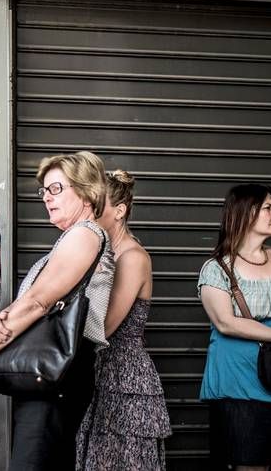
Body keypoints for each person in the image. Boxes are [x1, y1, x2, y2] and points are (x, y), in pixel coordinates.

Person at [0, 151, 115, 471]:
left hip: (59, 370)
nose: (46, 197)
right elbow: (32, 301)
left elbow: (39, 302)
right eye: (44, 190)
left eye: (56, 188)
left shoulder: (84, 235)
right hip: (53, 372)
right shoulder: (71, 239)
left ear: (86, 191)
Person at [196, 183, 271, 470]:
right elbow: (226, 322)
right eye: (268, 208)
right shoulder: (217, 268)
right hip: (241, 386)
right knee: (249, 465)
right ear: (247, 215)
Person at [75, 170, 171, 470]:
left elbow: (103, 327)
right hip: (95, 372)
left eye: (95, 205)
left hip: (123, 378)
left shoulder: (132, 257)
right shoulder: (98, 250)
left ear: (120, 211)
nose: (87, 212)